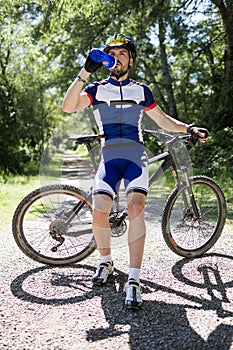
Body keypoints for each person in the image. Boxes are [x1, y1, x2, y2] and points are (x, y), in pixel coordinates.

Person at [62, 33, 208, 309]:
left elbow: (164, 121)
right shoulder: (96, 89)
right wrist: (85, 70)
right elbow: (67, 106)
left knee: (136, 207)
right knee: (99, 208)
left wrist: (189, 128)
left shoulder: (141, 90)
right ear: (105, 60)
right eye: (112, 54)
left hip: (134, 155)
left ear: (131, 60)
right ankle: (105, 261)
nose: (117, 59)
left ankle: (134, 279)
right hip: (110, 156)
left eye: (122, 54)